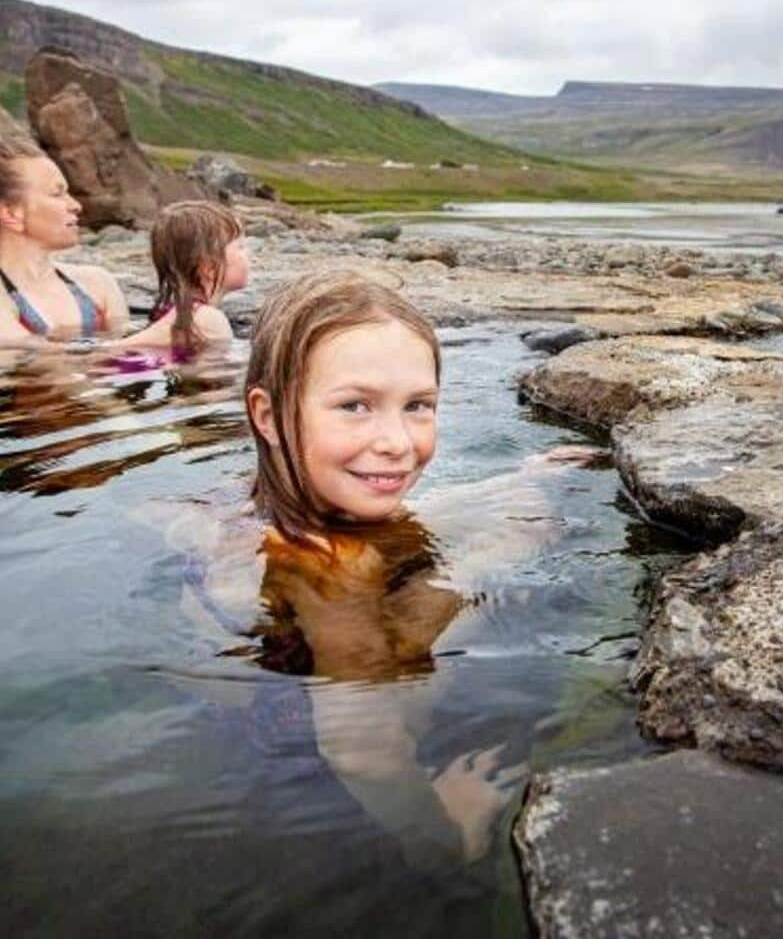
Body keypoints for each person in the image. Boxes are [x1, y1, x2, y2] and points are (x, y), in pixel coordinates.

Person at [171, 270, 595, 871]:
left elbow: (405, 519)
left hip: (257, 699)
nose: (397, 441)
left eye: (418, 406)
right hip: (309, 774)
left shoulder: (255, 512)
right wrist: (446, 835)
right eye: (355, 406)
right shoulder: (331, 569)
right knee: (479, 578)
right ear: (266, 415)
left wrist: (519, 484)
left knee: (471, 541)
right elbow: (362, 752)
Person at [0, 137, 131, 345]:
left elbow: (126, 367)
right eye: (57, 193)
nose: (75, 205)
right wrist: (154, 337)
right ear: (11, 214)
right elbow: (43, 364)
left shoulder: (99, 284)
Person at [117, 200, 250, 359]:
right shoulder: (208, 320)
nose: (249, 254)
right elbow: (214, 378)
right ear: (208, 268)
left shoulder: (183, 315)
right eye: (240, 247)